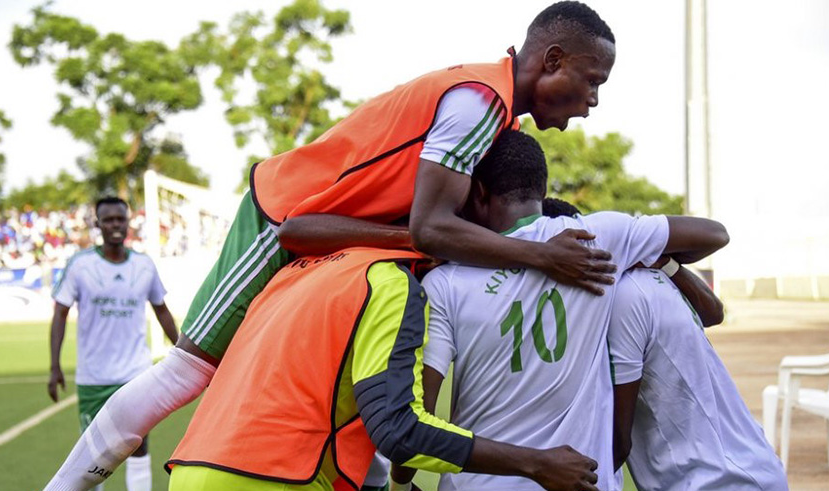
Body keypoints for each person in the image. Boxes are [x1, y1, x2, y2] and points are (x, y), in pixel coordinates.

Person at [44, 3, 619, 489]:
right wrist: (542, 255)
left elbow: (437, 231)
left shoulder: (499, 123)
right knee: (188, 372)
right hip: (281, 214)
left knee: (357, 391)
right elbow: (429, 229)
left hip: (341, 243)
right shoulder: (477, 102)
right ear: (552, 61)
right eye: (591, 81)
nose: (593, 100)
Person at [393, 130, 730, 490]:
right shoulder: (597, 238)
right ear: (542, 189)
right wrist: (650, 254)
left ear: (477, 191)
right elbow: (714, 234)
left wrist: (402, 479)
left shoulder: (445, 281)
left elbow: (418, 419)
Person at [165, 246, 600, 491]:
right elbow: (397, 430)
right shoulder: (388, 280)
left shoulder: (296, 272)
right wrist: (535, 463)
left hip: (190, 471)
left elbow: (329, 408)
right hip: (272, 480)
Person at [609, 263, 789, 489]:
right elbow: (715, 312)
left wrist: (550, 467)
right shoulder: (656, 276)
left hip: (717, 480)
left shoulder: (625, 296)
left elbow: (618, 443)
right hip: (747, 467)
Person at [47, 197, 179, 491]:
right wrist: (54, 365)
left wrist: (185, 353)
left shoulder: (144, 265)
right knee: (92, 458)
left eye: (120, 219)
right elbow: (60, 313)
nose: (115, 225)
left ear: (128, 222)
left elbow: (162, 311)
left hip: (135, 373)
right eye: (108, 220)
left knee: (139, 445)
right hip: (94, 377)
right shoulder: (81, 265)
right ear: (98, 224)